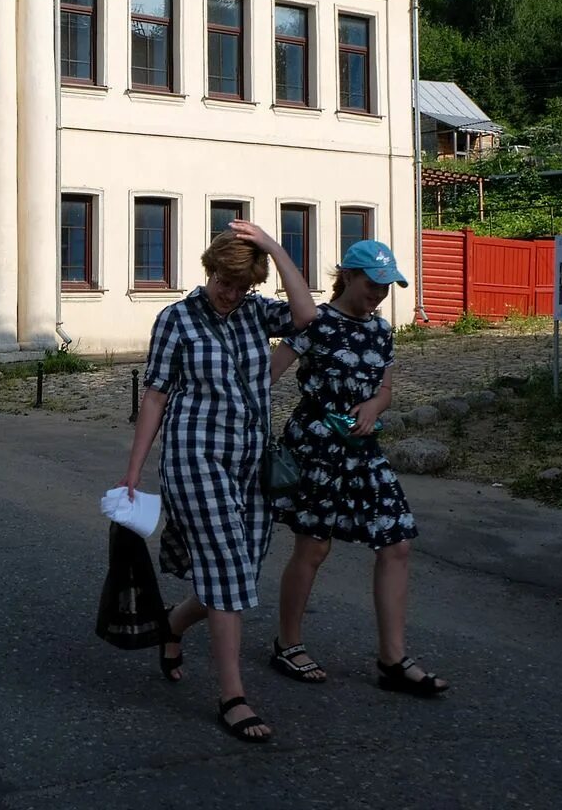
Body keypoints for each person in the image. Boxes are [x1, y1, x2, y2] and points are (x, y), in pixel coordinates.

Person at [119, 221, 315, 743]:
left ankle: (172, 625)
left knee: (237, 577)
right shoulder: (176, 320)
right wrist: (135, 469)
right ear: (208, 271)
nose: (230, 295)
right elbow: (156, 395)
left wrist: (273, 248)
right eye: (223, 283)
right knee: (228, 570)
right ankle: (233, 696)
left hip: (252, 464)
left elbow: (308, 319)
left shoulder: (256, 313)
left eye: (242, 286)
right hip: (194, 457)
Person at [267, 240, 448, 698]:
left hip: (363, 447)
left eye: (387, 286)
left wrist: (373, 404)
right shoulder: (315, 322)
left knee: (398, 540)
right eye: (372, 283)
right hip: (317, 447)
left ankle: (392, 657)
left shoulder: (382, 330)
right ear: (347, 275)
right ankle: (288, 643)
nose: (380, 293)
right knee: (313, 548)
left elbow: (385, 389)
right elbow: (266, 374)